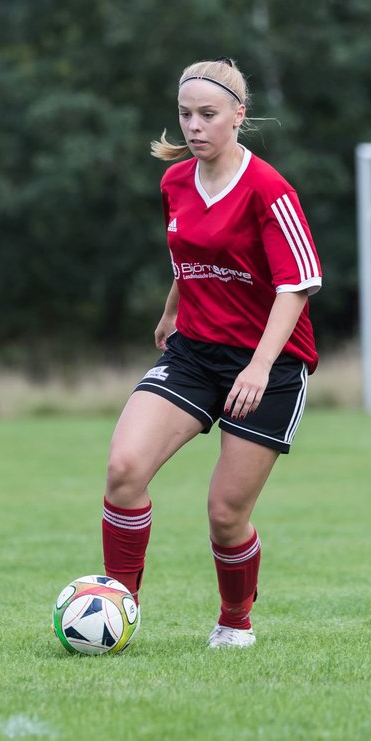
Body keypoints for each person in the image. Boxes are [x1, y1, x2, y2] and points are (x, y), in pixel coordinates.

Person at [99, 58, 321, 650]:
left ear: (238, 116)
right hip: (195, 351)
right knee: (124, 471)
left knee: (225, 515)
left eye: (207, 114)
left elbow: (296, 283)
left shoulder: (269, 190)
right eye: (184, 114)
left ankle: (234, 620)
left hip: (267, 366)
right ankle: (115, 613)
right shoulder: (175, 181)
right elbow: (188, 252)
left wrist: (259, 366)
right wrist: (173, 309)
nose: (193, 127)